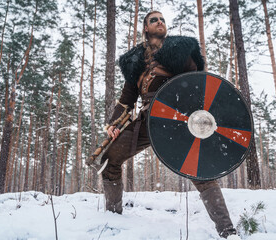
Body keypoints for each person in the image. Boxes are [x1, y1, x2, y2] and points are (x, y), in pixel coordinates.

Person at [100, 11, 240, 240]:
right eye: (154, 19)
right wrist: (114, 123)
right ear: (145, 27)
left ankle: (227, 231)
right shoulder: (135, 61)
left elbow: (198, 84)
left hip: (179, 121)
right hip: (147, 121)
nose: (159, 22)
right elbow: (127, 97)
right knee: (110, 159)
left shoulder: (180, 50)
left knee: (200, 170)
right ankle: (113, 218)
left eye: (162, 19)